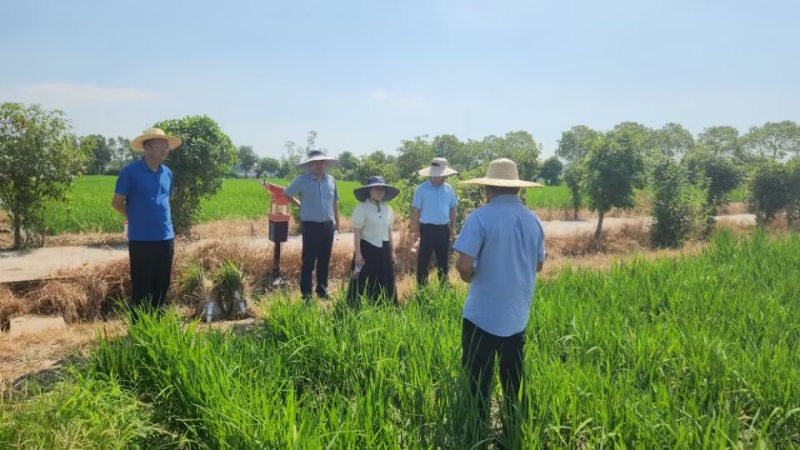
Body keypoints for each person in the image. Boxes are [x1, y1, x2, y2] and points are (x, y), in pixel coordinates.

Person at [452, 158, 545, 445]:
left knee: (478, 380)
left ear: (488, 188)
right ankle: (512, 432)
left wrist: (469, 276)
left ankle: (476, 434)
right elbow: (539, 265)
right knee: (513, 378)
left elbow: (464, 265)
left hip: (482, 315)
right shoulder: (533, 220)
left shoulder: (480, 217)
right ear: (517, 189)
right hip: (517, 315)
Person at [111, 128, 182, 323]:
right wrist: (134, 217)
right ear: (147, 147)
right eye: (160, 146)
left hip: (166, 237)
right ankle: (139, 328)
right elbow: (116, 202)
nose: (165, 150)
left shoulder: (167, 173)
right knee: (142, 287)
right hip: (141, 239)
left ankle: (158, 326)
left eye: (167, 146)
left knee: (162, 284)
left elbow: (165, 200)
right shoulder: (130, 172)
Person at [283, 149, 340, 301]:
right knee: (308, 261)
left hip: (328, 226)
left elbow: (335, 202)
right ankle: (306, 294)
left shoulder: (331, 180)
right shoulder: (302, 180)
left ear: (325, 164)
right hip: (311, 226)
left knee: (324, 260)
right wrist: (300, 204)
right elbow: (287, 194)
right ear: (310, 165)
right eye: (315, 163)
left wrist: (337, 224)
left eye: (321, 162)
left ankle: (322, 290)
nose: (318, 165)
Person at [346, 176, 399, 306]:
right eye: (376, 188)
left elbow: (389, 231)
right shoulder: (362, 208)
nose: (379, 191)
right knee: (361, 280)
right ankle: (355, 306)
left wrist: (392, 251)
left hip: (384, 249)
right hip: (367, 248)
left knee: (385, 279)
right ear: (369, 190)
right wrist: (358, 253)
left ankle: (383, 306)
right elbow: (357, 232)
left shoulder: (388, 209)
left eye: (382, 189)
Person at [411, 157, 459, 288]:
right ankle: (422, 287)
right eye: (442, 175)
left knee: (443, 259)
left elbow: (453, 208)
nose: (445, 178)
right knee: (423, 259)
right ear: (433, 174)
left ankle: (444, 285)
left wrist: (452, 228)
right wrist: (415, 230)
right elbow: (416, 210)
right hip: (427, 229)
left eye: (445, 175)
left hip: (443, 229)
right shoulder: (421, 189)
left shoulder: (449, 189)